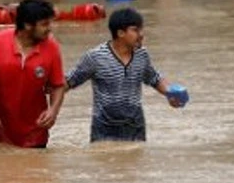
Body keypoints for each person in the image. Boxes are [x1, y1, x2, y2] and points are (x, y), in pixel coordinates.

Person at [65, 7, 183, 142]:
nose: (141, 34)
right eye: (135, 30)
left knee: (135, 161)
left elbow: (155, 79)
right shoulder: (96, 57)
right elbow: (70, 81)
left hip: (135, 127)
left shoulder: (142, 55)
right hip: (104, 129)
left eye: (141, 29)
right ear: (120, 33)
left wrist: (170, 93)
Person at [0, 0, 67, 148]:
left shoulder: (52, 48)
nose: (50, 28)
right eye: (44, 24)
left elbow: (58, 85)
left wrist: (53, 111)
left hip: (35, 130)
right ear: (27, 25)